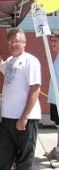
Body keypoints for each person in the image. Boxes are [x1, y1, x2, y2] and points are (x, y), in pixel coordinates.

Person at [0, 28, 41, 170]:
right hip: (7, 120)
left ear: (24, 43)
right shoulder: (10, 61)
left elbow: (35, 89)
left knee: (23, 163)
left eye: (16, 41)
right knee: (1, 157)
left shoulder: (31, 61)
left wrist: (24, 117)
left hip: (25, 121)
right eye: (9, 42)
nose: (12, 45)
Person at [45, 30, 59, 159]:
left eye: (55, 41)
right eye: (51, 40)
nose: (52, 43)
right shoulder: (57, 57)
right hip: (56, 99)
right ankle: (58, 150)